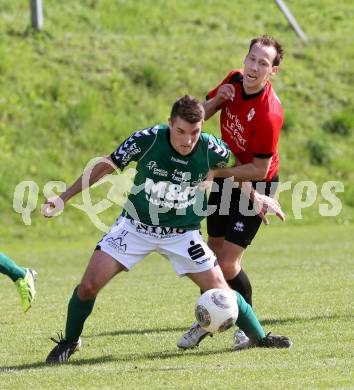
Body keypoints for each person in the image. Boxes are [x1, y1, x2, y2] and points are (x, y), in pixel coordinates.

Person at [42, 95, 291, 364]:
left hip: (183, 234)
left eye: (195, 133)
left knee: (222, 293)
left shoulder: (211, 148)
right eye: (181, 131)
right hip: (135, 227)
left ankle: (260, 337)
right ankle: (69, 341)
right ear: (170, 123)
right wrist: (63, 197)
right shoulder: (146, 139)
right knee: (88, 287)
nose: (187, 140)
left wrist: (254, 196)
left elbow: (232, 170)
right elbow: (107, 164)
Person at [177, 36, 285, 349]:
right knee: (209, 257)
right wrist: (216, 100)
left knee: (227, 265)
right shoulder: (234, 81)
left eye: (263, 63)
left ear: (272, 71)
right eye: (251, 59)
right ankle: (206, 319)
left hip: (256, 184)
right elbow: (197, 118)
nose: (253, 67)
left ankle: (244, 329)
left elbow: (259, 170)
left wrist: (215, 173)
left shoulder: (269, 113)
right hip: (227, 174)